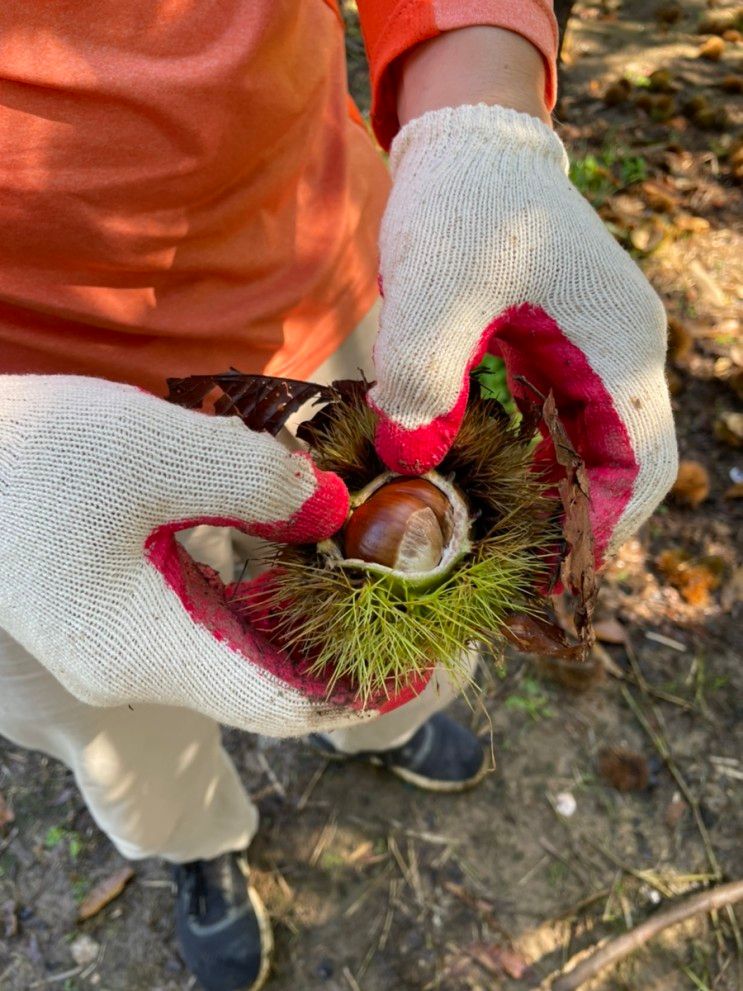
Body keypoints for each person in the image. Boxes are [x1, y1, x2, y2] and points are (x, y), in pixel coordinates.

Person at [0, 4, 677, 990]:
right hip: (29, 443)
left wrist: (476, 103)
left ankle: (383, 727)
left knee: (395, 659)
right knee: (110, 711)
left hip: (328, 292)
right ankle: (198, 840)